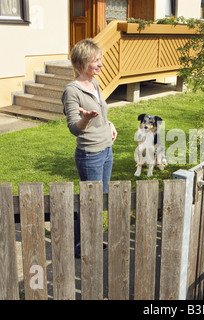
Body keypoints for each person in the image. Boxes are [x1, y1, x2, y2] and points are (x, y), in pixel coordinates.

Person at [61, 38, 117, 257]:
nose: (101, 64)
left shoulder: (94, 83)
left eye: (100, 59)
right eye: (96, 60)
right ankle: (80, 245)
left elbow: (101, 113)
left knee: (98, 199)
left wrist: (109, 124)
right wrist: (85, 119)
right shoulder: (71, 91)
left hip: (106, 150)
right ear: (83, 63)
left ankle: (88, 240)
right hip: (90, 154)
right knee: (89, 201)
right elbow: (74, 128)